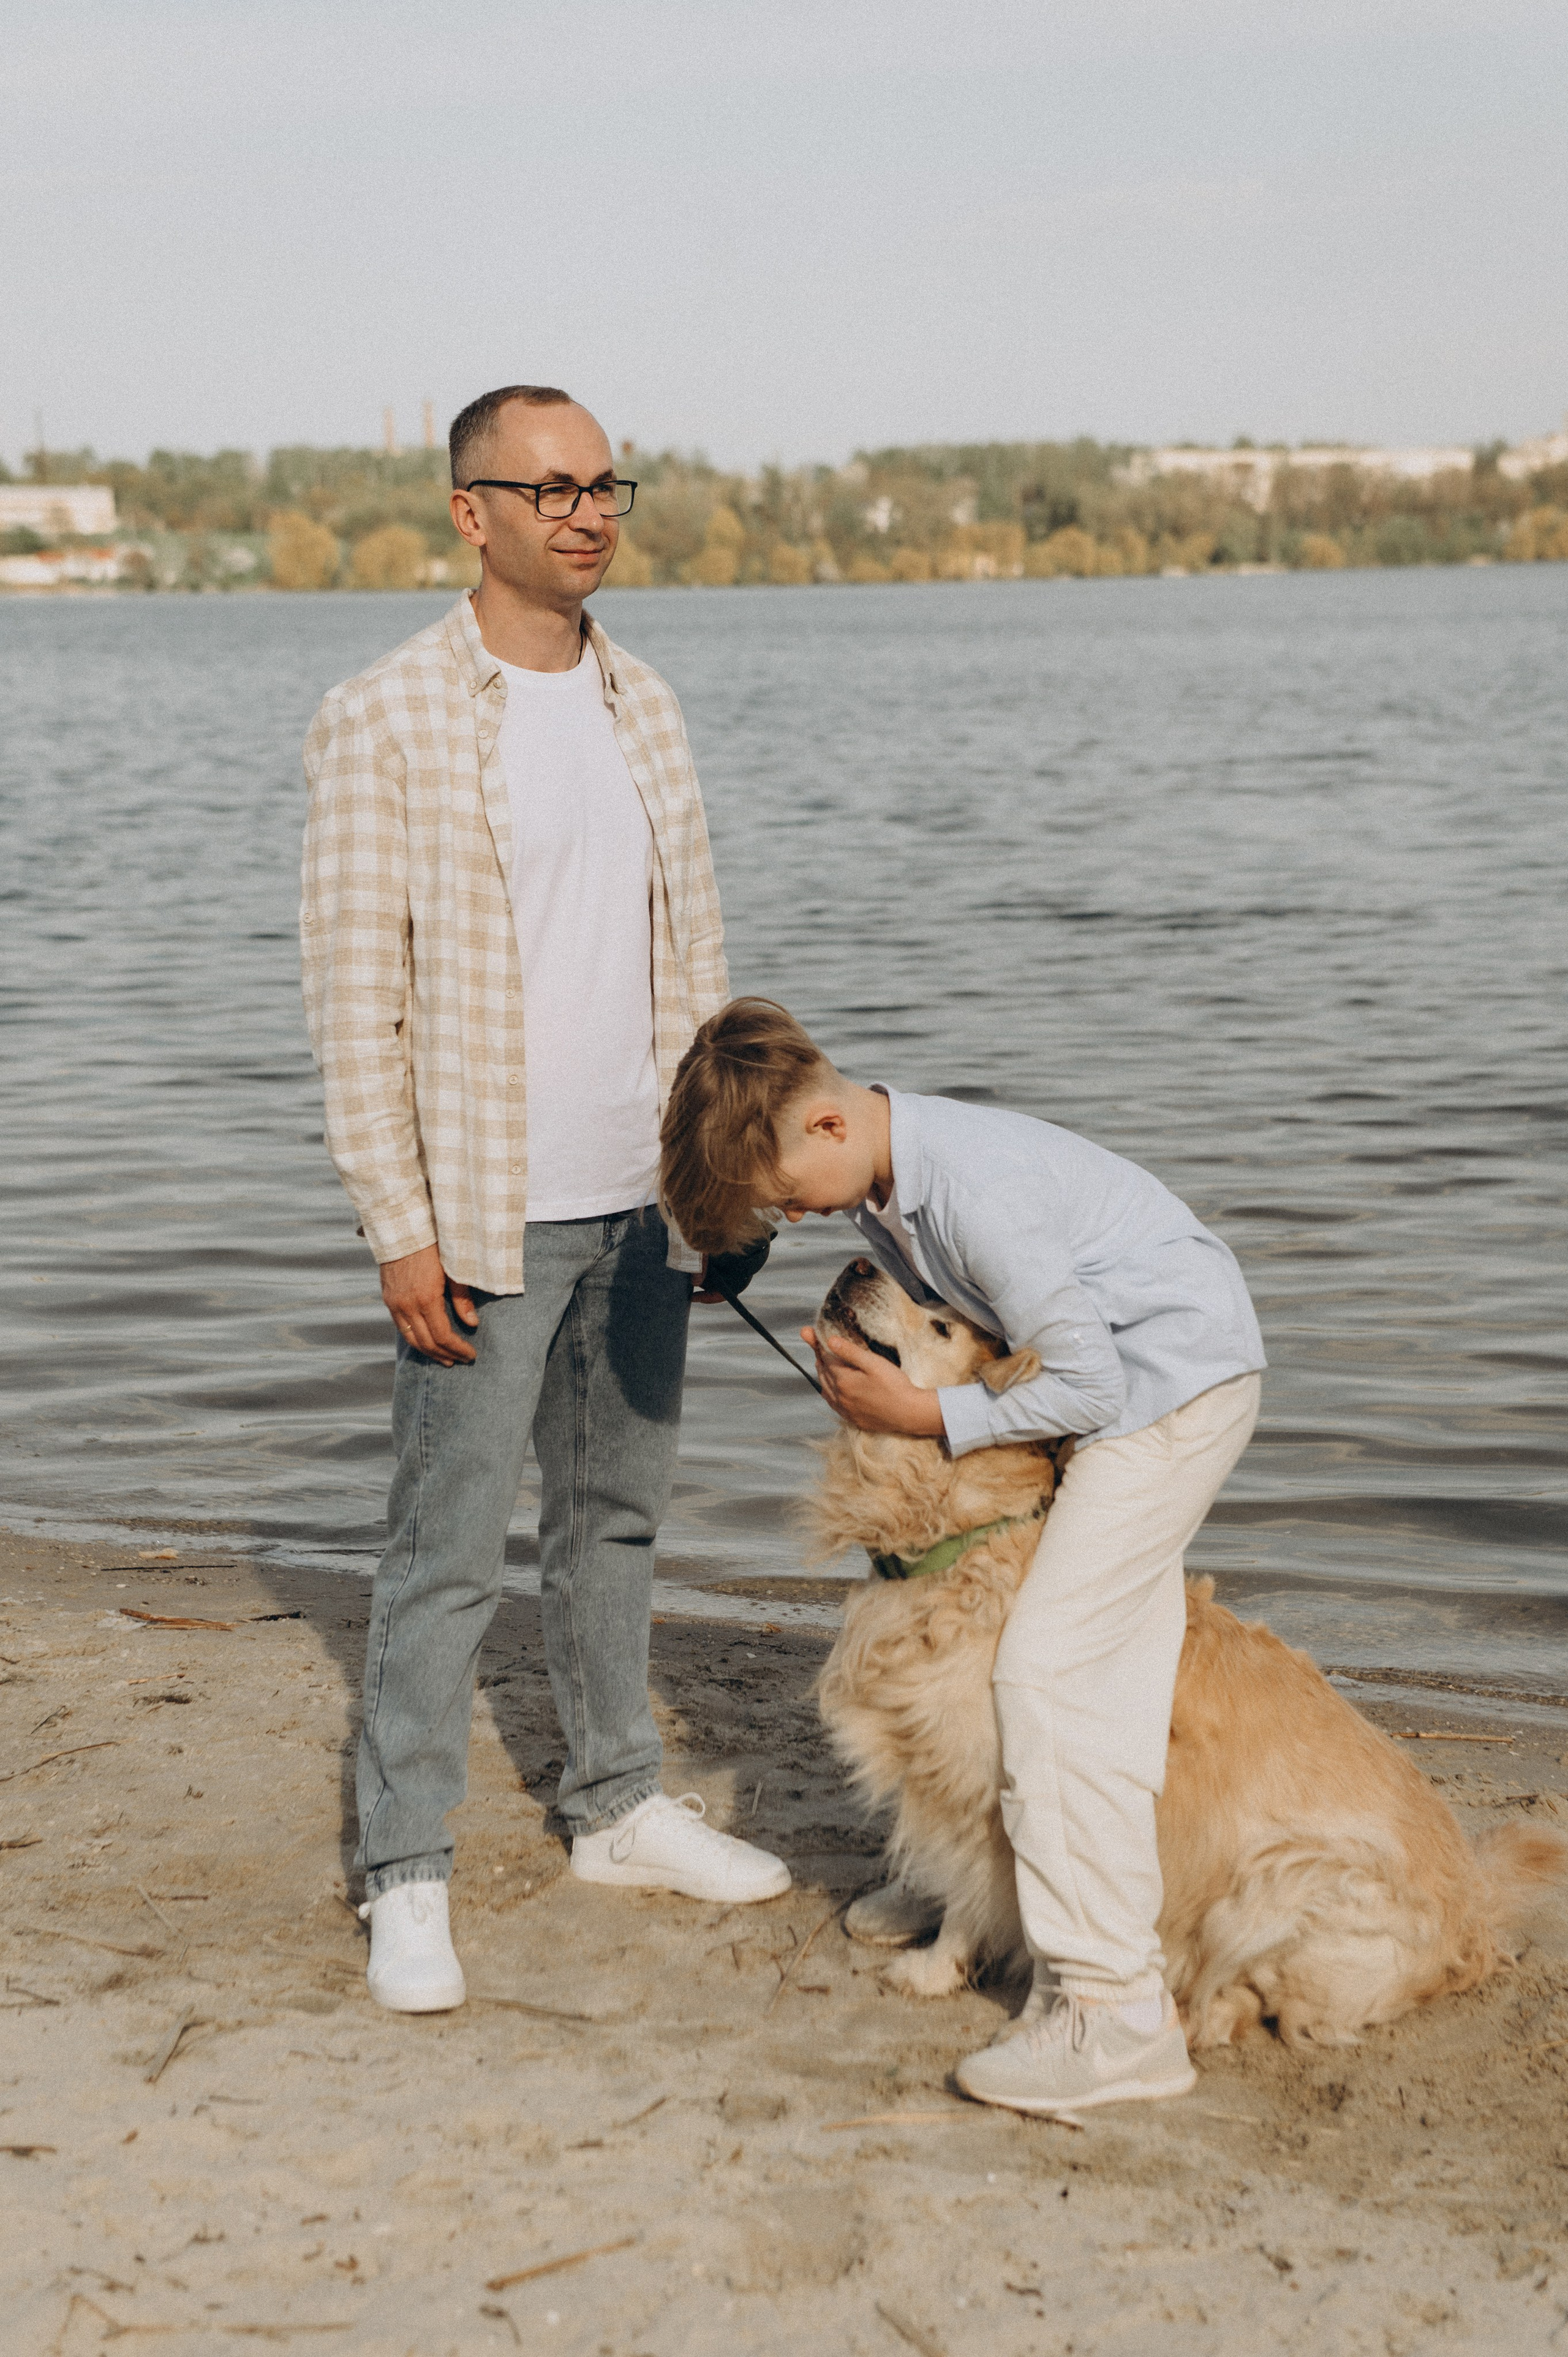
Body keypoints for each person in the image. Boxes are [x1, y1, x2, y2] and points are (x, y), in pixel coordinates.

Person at [300, 388, 790, 2016]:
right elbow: (353, 997)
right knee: (444, 1550)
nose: (589, 512)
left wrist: (725, 1179)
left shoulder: (645, 701)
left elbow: (697, 965)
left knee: (618, 1518)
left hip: (647, 1203)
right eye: (552, 486)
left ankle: (614, 1805)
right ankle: (407, 1868)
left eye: (607, 485)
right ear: (473, 511)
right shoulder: (385, 718)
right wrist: (400, 1224)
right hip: (488, 1215)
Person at [658, 998, 1265, 2116]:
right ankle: (1008, 1913)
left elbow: (1093, 1384)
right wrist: (728, 1249)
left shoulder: (975, 1195)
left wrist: (927, 1418)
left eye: (783, 1199)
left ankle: (1116, 2015)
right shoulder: (888, 1173)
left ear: (831, 1129)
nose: (786, 1220)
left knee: (1047, 1674)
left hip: (1174, 1390)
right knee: (1081, 1670)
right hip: (1123, 1390)